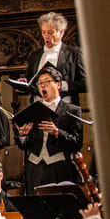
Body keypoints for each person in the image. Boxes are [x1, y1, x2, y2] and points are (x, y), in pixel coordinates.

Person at [14, 66, 83, 194]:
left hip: (59, 167)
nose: (42, 86)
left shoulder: (72, 110)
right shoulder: (34, 110)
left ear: (58, 84)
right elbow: (24, 145)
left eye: (47, 82)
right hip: (34, 167)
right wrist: (23, 136)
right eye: (40, 83)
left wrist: (57, 132)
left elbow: (77, 142)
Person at [23, 12, 86, 106]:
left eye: (50, 32)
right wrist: (23, 84)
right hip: (39, 106)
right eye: (43, 32)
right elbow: (30, 83)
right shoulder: (35, 55)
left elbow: (86, 83)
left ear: (61, 32)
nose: (46, 36)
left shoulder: (74, 53)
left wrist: (66, 86)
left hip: (65, 107)